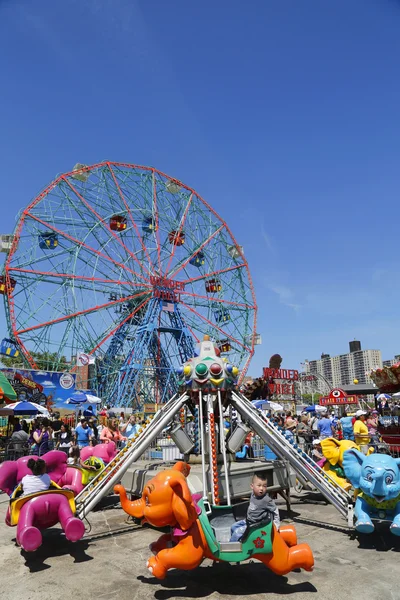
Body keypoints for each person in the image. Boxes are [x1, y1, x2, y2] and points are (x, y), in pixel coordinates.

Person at [230, 472, 280, 542]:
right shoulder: (253, 494)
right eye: (259, 485)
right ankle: (240, 542)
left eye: (264, 486)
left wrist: (276, 525)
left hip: (255, 525)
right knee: (233, 527)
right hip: (248, 521)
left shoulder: (266, 500)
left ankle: (233, 550)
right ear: (252, 486)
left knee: (237, 533)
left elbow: (275, 511)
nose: (261, 489)